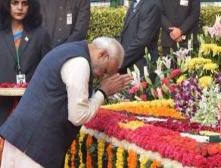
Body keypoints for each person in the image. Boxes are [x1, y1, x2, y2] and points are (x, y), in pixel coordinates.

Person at [0, 36, 131, 168]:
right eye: (105, 71)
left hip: (20, 139)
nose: (102, 77)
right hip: (34, 148)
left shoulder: (70, 49)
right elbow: (78, 116)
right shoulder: (80, 63)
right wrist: (102, 92)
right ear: (102, 54)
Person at [0, 0, 51, 125]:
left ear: (31, 7)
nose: (20, 7)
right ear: (7, 5)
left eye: (25, 3)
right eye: (15, 3)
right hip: (2, 104)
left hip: (30, 103)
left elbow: (47, 69)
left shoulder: (41, 33)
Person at [119, 0, 161, 74]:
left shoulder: (151, 5)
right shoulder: (135, 2)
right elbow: (125, 35)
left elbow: (141, 42)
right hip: (129, 67)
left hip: (141, 68)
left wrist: (118, 63)